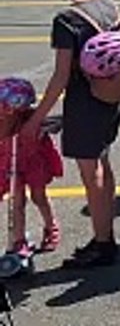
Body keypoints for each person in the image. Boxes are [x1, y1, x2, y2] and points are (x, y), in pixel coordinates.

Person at [25, 0, 120, 267]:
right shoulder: (109, 6)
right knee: (104, 166)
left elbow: (60, 77)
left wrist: (36, 118)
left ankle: (102, 242)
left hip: (84, 103)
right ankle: (106, 233)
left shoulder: (67, 20)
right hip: (110, 95)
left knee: (89, 172)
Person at [0, 77, 63, 258]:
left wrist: (47, 126)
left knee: (38, 196)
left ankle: (51, 226)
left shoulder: (31, 119)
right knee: (16, 202)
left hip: (33, 163)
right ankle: (18, 241)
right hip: (12, 165)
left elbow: (53, 124)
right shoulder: (2, 122)